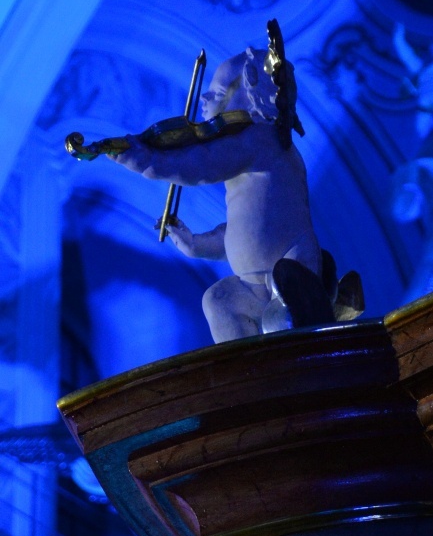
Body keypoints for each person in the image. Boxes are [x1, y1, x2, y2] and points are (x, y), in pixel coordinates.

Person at [108, 46, 340, 343]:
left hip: (289, 277)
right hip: (256, 285)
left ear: (252, 92)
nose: (204, 99)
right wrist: (197, 245)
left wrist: (146, 160)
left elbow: (200, 165)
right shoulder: (253, 147)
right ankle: (246, 369)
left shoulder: (261, 139)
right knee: (219, 299)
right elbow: (246, 228)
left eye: (217, 93)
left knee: (284, 323)